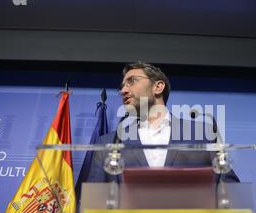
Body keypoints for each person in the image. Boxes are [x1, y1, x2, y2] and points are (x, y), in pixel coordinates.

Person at [87, 61, 239, 183]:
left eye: (131, 81)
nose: (124, 91)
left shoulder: (202, 134)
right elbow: (94, 204)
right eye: (122, 87)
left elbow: (229, 188)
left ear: (158, 87)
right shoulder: (108, 143)